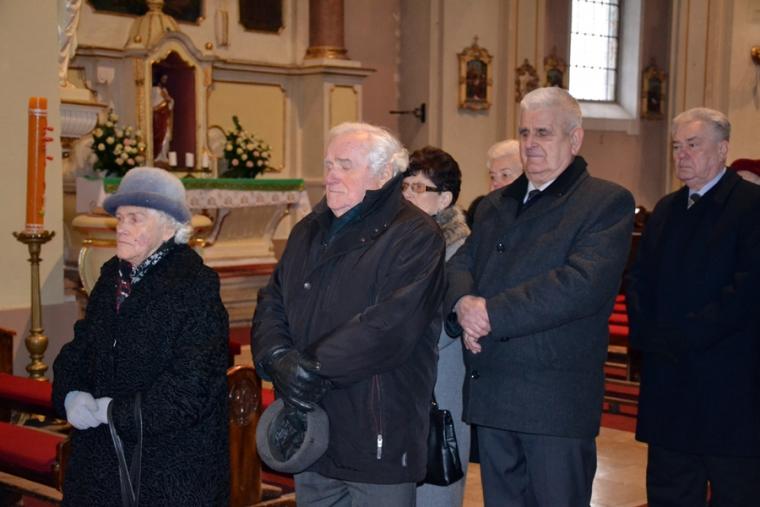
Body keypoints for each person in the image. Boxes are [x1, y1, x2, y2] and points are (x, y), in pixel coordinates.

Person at [445, 87, 634, 506]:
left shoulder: (604, 202)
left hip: (553, 400)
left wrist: (489, 313)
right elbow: (461, 264)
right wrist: (463, 304)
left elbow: (580, 284)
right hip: (494, 391)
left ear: (574, 138)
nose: (530, 143)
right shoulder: (495, 204)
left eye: (543, 133)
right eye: (524, 132)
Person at [251, 122, 446, 506]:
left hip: (376, 430)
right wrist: (277, 357)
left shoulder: (416, 235)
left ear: (384, 174)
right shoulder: (308, 230)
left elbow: (389, 327)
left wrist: (308, 368)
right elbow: (272, 300)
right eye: (328, 165)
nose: (331, 176)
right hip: (311, 426)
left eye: (345, 165)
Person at [52, 167, 230, 505]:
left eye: (136, 219)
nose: (122, 227)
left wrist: (115, 412)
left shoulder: (195, 286)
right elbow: (81, 347)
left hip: (167, 469)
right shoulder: (112, 277)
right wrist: (71, 393)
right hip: (102, 463)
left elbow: (190, 388)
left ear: (169, 228)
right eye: (120, 218)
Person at [626, 107, 760, 506]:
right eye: (676, 146)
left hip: (728, 386)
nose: (681, 154)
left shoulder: (751, 205)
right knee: (670, 491)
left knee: (735, 493)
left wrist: (684, 336)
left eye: (693, 145)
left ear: (722, 149)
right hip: (668, 382)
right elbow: (638, 279)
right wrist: (649, 336)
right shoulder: (667, 208)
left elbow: (747, 290)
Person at [401, 146, 471, 507]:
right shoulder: (398, 240)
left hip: (440, 376)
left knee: (434, 482)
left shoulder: (460, 248)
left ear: (444, 198)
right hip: (398, 372)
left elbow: (449, 318)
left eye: (418, 187)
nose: (408, 194)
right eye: (405, 186)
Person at [465, 139, 523, 227]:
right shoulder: (483, 214)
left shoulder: (537, 213)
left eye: (505, 175)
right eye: (492, 177)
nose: (495, 184)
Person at [152, 73, 173, 163]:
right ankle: (157, 155)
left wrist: (169, 102)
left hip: (165, 115)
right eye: (163, 79)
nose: (165, 81)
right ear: (159, 78)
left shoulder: (164, 90)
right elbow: (153, 103)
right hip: (157, 116)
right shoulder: (154, 89)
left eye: (166, 79)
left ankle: (163, 155)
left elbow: (170, 101)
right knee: (158, 135)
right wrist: (164, 103)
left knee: (166, 135)